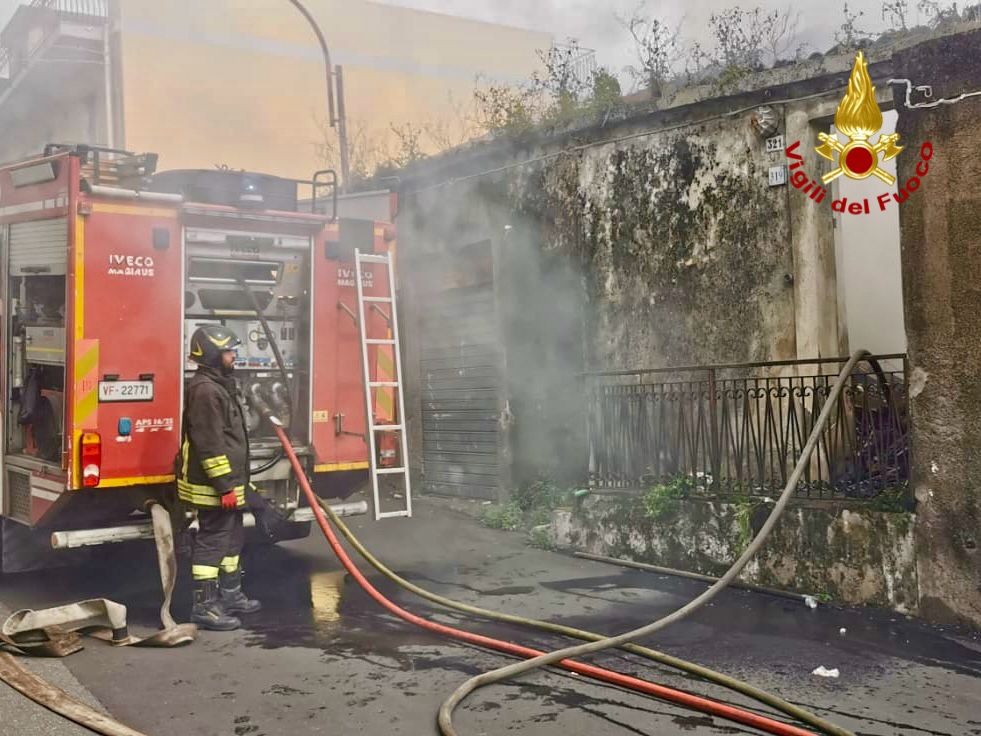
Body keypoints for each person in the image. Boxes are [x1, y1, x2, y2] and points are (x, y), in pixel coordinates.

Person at [178, 325, 262, 631]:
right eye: (228, 352)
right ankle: (204, 606)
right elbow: (209, 444)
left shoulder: (220, 384)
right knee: (213, 540)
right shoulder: (205, 391)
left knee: (233, 536)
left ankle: (230, 595)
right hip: (211, 486)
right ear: (213, 355)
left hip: (230, 482)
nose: (233, 356)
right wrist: (225, 485)